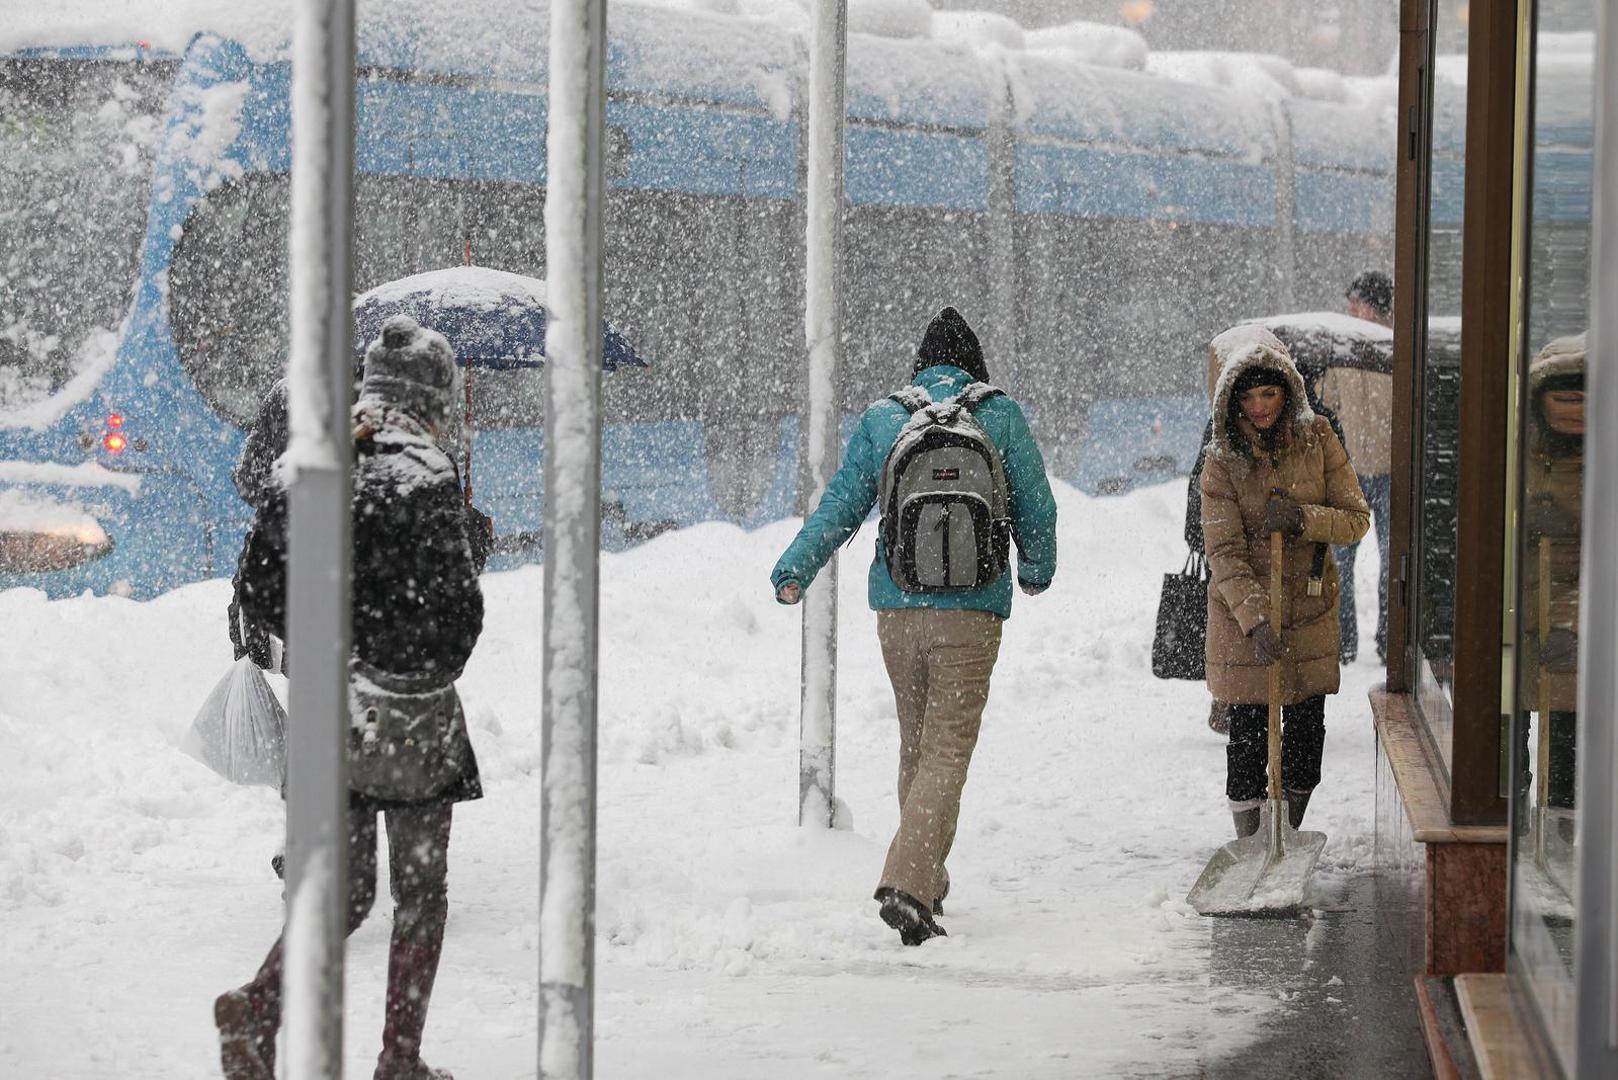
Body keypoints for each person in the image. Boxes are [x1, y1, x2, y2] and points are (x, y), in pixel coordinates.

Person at [216, 316, 489, 1080]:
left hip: (325, 711)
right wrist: (417, 657)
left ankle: (259, 1009)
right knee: (420, 894)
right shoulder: (425, 471)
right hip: (408, 715)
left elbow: (258, 590)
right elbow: (458, 610)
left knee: (347, 892)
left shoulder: (307, 460)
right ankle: (399, 1059)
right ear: (432, 394)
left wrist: (330, 641)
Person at [770, 306, 1057, 946]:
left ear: (921, 365)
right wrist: (1037, 568)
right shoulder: (1000, 415)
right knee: (948, 751)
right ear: (974, 364)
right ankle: (906, 881)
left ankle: (927, 879)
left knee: (918, 742)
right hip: (973, 610)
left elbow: (842, 502)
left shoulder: (884, 417)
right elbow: (1037, 503)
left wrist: (796, 565)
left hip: (898, 608)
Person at [1201, 325, 1369, 837]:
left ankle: (1288, 831)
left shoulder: (1318, 438)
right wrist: (1255, 620)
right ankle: (1250, 841)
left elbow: (1355, 518)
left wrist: (1301, 520)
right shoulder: (1221, 458)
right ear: (1231, 399)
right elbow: (1223, 552)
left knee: (1303, 743)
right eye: (1247, 396)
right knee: (1249, 741)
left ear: (1288, 389)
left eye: (1269, 393)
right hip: (1242, 619)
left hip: (1309, 611)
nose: (1259, 407)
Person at [1520, 333, 1585, 814]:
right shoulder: (1516, 447)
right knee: (1506, 741)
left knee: (1568, 736)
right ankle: (1514, 820)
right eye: (1563, 398)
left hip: (1576, 621)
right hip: (1515, 611)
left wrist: (1569, 622)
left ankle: (1563, 828)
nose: (1574, 410)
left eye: (1584, 398)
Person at [1320, 270, 1394, 663]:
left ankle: (1390, 642)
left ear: (1377, 307)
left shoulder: (1398, 347)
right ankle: (1344, 641)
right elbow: (1327, 403)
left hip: (1394, 474)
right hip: (1352, 474)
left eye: (1358, 301)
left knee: (1392, 563)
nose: (1350, 307)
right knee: (1340, 562)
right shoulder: (1343, 349)